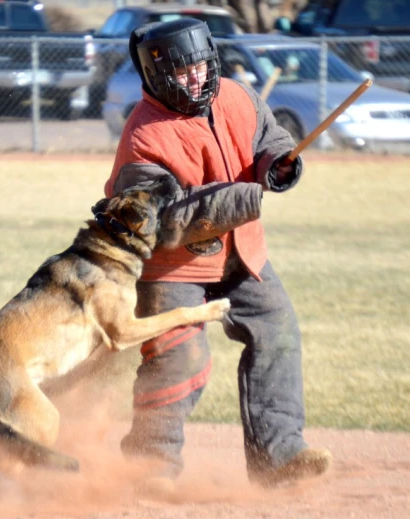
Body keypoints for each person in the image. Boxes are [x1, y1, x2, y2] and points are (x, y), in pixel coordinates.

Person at [104, 18, 332, 492]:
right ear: (156, 75)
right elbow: (160, 220)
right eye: (184, 72)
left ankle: (279, 458)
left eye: (203, 65)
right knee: (180, 358)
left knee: (279, 335)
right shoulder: (143, 136)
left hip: (240, 252)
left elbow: (269, 138)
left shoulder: (236, 95)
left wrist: (277, 165)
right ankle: (148, 467)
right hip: (171, 266)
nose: (197, 78)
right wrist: (243, 196)